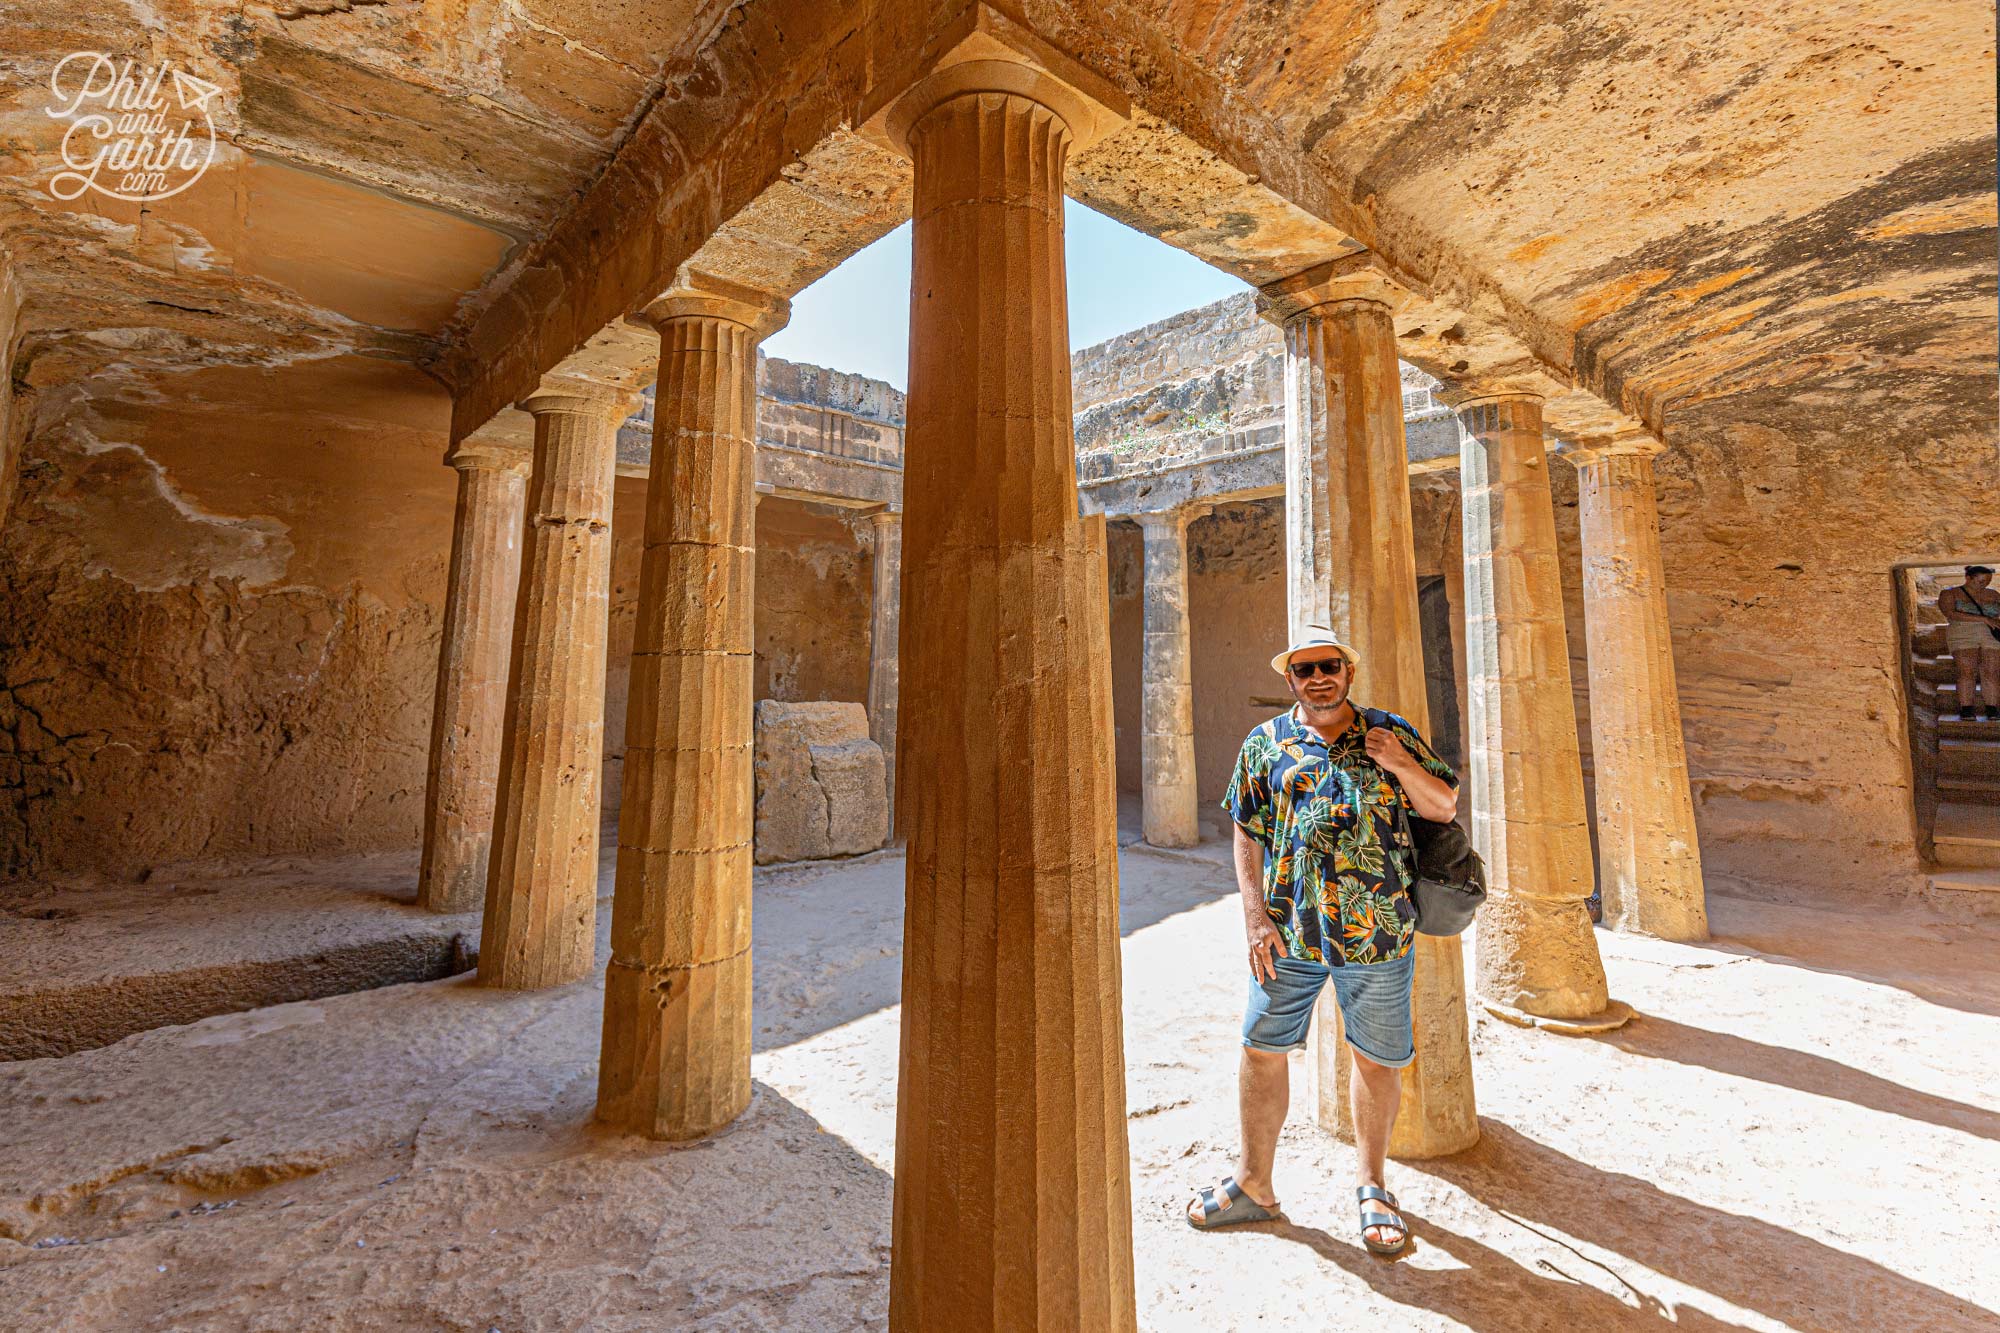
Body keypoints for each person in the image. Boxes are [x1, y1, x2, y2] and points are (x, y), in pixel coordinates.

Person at [1184, 628, 1458, 1256]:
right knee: (1261, 1049)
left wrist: (1399, 762)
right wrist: (1255, 917)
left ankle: (1372, 1186)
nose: (1318, 678)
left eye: (1328, 666)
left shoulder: (1390, 732)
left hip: (1379, 931)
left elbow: (1442, 807)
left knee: (1376, 1058)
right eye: (1305, 669)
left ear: (1348, 672)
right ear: (1291, 680)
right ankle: (1255, 1184)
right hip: (1289, 931)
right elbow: (1245, 831)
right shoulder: (1266, 744)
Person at [1940, 566, 2000, 721]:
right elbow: (1950, 612)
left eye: (1987, 581)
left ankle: (1992, 708)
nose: (1984, 584)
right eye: (1980, 581)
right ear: (1968, 578)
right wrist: (1983, 618)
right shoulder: (1950, 593)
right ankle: (1967, 708)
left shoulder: (1993, 594)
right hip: (1962, 633)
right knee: (1967, 670)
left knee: (1991, 671)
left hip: (1990, 632)